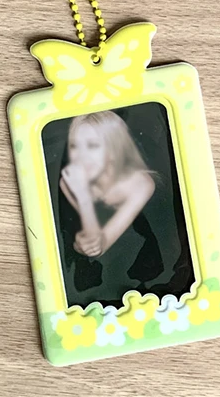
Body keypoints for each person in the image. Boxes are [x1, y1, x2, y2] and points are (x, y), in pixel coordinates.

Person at [58, 110, 165, 306]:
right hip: (103, 266)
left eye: (92, 145)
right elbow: (89, 243)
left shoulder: (141, 183)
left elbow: (97, 248)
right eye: (75, 146)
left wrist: (83, 198)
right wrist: (80, 245)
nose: (82, 156)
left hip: (141, 261)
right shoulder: (69, 182)